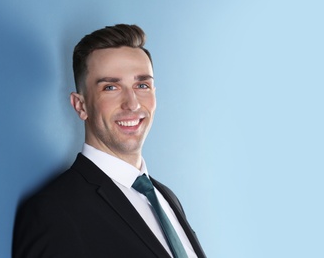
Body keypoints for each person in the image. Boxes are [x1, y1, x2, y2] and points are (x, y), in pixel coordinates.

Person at [12, 24, 206, 258]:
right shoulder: (53, 211)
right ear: (80, 105)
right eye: (111, 87)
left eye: (142, 85)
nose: (132, 103)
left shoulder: (166, 197)